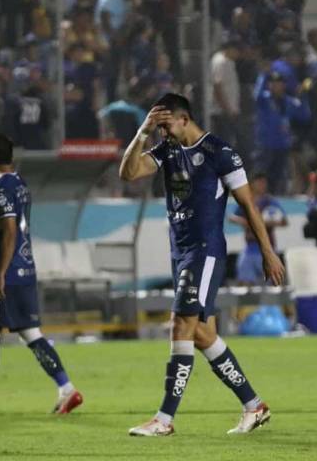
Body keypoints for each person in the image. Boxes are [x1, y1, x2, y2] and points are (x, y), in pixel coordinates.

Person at [118, 93, 284, 436]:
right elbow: (129, 172)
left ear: (184, 119)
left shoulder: (219, 153)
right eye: (159, 127)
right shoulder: (166, 150)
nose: (163, 133)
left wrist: (268, 252)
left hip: (205, 250)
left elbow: (249, 206)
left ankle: (164, 419)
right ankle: (254, 405)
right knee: (203, 334)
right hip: (180, 251)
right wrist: (143, 132)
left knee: (181, 324)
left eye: (166, 125)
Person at [0, 135, 84, 417]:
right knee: (31, 333)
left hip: (7, 276)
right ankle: (66, 388)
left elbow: (9, 230)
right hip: (26, 271)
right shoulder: (21, 184)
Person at [229, 173, 287, 284]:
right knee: (244, 283)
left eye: (264, 182)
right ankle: (248, 301)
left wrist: (265, 223)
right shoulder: (247, 200)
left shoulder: (270, 201)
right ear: (252, 183)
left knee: (273, 283)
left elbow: (284, 221)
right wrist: (248, 223)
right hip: (250, 248)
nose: (262, 185)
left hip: (268, 248)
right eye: (259, 182)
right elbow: (232, 217)